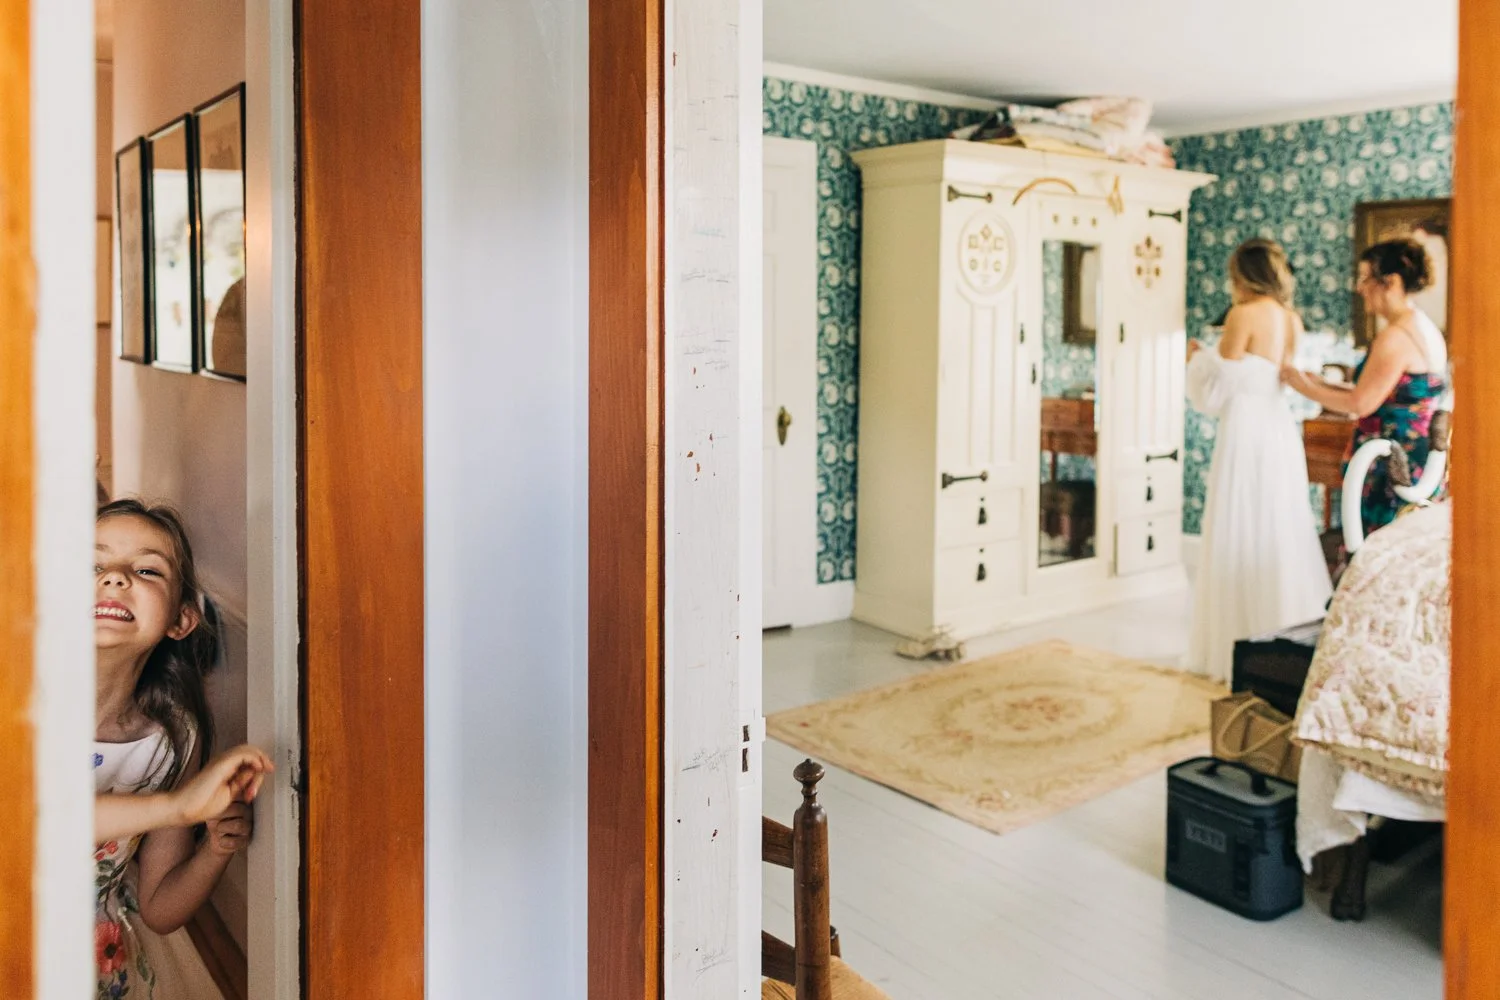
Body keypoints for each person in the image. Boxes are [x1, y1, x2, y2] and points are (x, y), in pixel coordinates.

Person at [93, 498, 274, 999]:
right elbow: (34, 825)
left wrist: (215, 848)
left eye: (147, 569)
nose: (115, 577)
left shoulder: (173, 738)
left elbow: (159, 908)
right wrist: (177, 807)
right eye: (92, 565)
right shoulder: (18, 708)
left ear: (182, 620)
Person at [1185, 239, 1333, 685]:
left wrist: (1195, 359)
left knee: (1239, 522)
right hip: (1278, 430)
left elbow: (1217, 389)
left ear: (1243, 276)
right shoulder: (1290, 319)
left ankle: (1233, 647)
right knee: (1278, 524)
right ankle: (1284, 646)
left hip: (1245, 430)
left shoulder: (1242, 315)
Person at [1282, 237, 1448, 537]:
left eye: (1365, 278)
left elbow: (1360, 404)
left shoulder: (1396, 337)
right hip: (1410, 458)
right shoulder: (1419, 326)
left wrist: (1298, 384)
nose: (1359, 289)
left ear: (1391, 282)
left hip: (1392, 465)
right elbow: (1387, 394)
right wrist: (1322, 383)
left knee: (1378, 547)